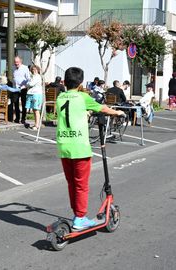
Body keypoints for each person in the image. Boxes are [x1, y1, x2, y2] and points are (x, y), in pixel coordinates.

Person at [56, 67, 124, 230]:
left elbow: (71, 112)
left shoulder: (60, 97)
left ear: (64, 82)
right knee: (81, 184)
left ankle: (77, 213)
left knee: (71, 183)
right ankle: (80, 218)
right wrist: (118, 112)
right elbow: (102, 108)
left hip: (64, 146)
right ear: (80, 83)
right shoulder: (83, 97)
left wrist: (85, 114)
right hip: (79, 147)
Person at [10, 56, 30, 124]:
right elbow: (12, 77)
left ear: (20, 62)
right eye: (15, 62)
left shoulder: (25, 68)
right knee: (15, 103)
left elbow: (28, 78)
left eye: (17, 62)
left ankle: (23, 119)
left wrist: (25, 85)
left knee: (24, 103)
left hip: (23, 88)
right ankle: (17, 118)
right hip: (16, 88)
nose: (16, 64)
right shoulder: (13, 68)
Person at [25, 65, 43, 130]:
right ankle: (36, 124)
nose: (33, 71)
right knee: (34, 110)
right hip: (32, 93)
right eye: (32, 69)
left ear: (38, 70)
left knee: (36, 110)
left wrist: (27, 84)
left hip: (36, 94)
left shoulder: (37, 76)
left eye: (35, 69)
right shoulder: (33, 76)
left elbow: (31, 84)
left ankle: (37, 125)